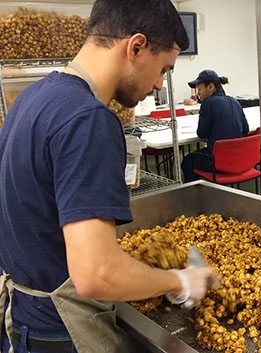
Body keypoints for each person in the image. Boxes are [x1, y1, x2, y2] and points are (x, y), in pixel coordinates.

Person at [0, 1, 218, 352]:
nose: (160, 84)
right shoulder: (89, 120)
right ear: (136, 47)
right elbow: (95, 273)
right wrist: (178, 279)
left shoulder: (31, 99)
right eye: (164, 69)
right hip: (63, 332)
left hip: (24, 319)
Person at [181, 69, 249, 182]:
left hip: (219, 161)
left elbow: (202, 133)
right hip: (238, 159)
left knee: (188, 161)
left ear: (210, 87)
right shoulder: (235, 101)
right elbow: (245, 130)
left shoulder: (207, 103)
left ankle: (194, 196)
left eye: (200, 89)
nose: (198, 93)